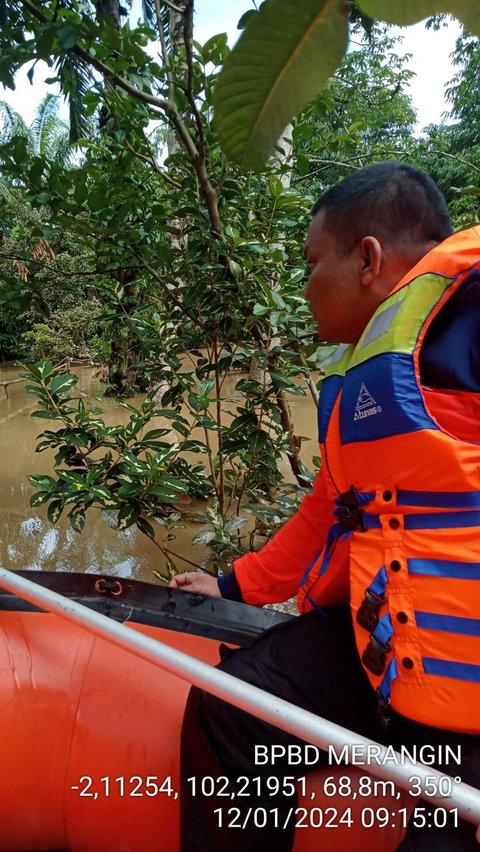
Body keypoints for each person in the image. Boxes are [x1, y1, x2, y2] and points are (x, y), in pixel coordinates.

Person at [169, 162, 480, 851]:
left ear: (368, 259)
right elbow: (328, 513)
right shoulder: (364, 378)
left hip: (467, 676)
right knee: (231, 709)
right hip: (385, 644)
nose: (303, 287)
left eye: (312, 263)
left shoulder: (472, 309)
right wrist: (228, 586)